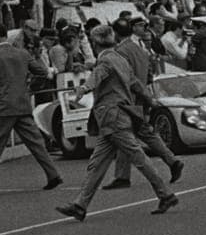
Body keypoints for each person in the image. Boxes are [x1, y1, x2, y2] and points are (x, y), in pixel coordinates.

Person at [55, 25, 178, 222]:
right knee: (97, 163)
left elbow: (97, 76)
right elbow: (135, 83)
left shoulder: (105, 60)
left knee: (138, 157)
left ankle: (166, 194)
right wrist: (150, 99)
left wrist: (82, 89)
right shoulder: (120, 59)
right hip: (118, 116)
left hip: (112, 117)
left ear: (95, 43)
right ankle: (80, 205)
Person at [103, 18, 184, 191]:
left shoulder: (120, 52)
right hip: (141, 97)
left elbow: (125, 78)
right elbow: (148, 75)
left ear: (115, 33)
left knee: (125, 134)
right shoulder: (140, 50)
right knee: (141, 133)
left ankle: (125, 176)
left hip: (127, 98)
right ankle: (124, 175)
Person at [0, 31, 63, 191]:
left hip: (4, 106)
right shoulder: (22, 53)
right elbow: (42, 72)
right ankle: (53, 173)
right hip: (23, 104)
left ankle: (53, 175)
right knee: (36, 143)